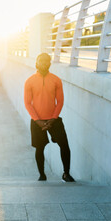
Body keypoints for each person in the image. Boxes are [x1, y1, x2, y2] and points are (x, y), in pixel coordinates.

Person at [24, 53, 75, 182]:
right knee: (39, 148)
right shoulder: (29, 81)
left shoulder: (56, 80)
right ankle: (42, 175)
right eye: (41, 61)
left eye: (47, 61)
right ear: (36, 63)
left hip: (54, 120)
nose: (44, 63)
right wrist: (37, 120)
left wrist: (53, 118)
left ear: (50, 64)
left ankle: (66, 174)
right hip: (37, 121)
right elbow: (27, 103)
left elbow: (60, 102)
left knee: (65, 146)